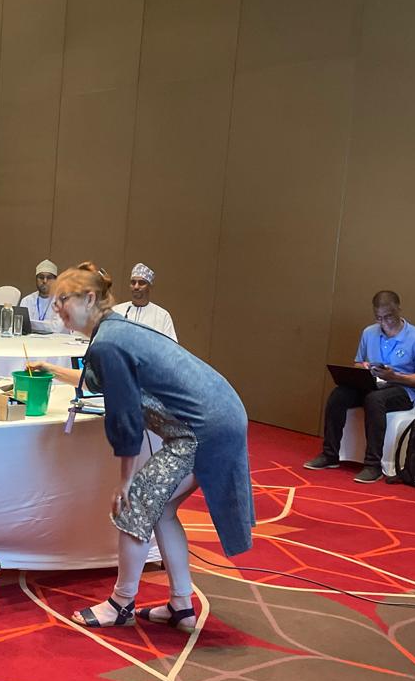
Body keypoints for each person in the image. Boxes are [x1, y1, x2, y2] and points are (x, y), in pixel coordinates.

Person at [28, 263, 253, 631]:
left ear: (89, 299)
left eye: (63, 299)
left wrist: (126, 480)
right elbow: (99, 382)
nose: (57, 308)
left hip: (204, 430)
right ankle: (181, 605)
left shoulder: (109, 342)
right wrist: (51, 369)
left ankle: (121, 604)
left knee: (135, 504)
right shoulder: (113, 333)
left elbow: (126, 418)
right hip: (216, 420)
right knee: (161, 510)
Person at [304, 290, 415, 483]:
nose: (384, 323)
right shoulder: (369, 332)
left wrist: (395, 376)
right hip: (373, 383)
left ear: (398, 310)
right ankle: (330, 454)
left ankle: (373, 465)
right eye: (379, 318)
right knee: (339, 395)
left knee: (374, 400)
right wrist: (365, 368)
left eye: (389, 317)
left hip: (404, 390)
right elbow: (358, 363)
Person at [112, 263, 177, 340]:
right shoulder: (116, 311)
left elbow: (170, 345)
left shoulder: (162, 316)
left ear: (150, 286)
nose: (136, 287)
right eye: (133, 282)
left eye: (141, 283)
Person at [24, 259, 66, 332]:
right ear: (36, 279)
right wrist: (48, 325)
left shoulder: (62, 301)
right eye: (41, 277)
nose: (45, 281)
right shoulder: (27, 300)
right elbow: (22, 324)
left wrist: (32, 324)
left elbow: (57, 328)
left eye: (49, 278)